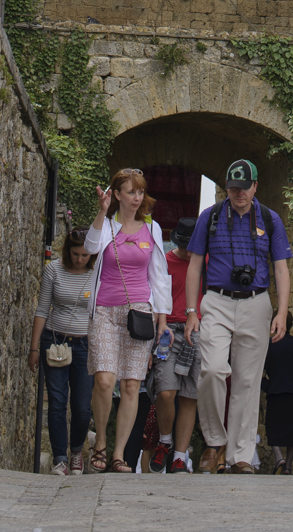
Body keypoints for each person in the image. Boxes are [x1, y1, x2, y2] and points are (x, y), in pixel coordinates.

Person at [183, 159, 292, 474]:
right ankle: (215, 440)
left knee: (248, 381)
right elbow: (194, 265)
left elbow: (281, 268)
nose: (238, 194)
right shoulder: (212, 216)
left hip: (256, 303)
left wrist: (282, 312)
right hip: (216, 300)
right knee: (213, 370)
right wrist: (192, 311)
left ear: (255, 186)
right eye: (232, 188)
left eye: (243, 188)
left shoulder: (270, 220)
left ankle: (241, 455)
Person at [84, 167, 172, 474]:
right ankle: (100, 445)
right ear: (117, 194)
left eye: (140, 192)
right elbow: (90, 248)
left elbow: (160, 278)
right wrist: (101, 212)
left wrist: (162, 320)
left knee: (133, 385)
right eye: (131, 192)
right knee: (105, 380)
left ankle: (119, 454)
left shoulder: (153, 228)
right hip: (105, 312)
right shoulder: (107, 226)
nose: (137, 198)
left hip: (140, 314)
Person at [28, 227, 95, 476]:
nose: (80, 259)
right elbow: (42, 309)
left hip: (85, 345)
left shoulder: (96, 273)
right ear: (68, 251)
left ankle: (77, 450)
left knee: (82, 406)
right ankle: (60, 459)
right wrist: (34, 348)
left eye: (85, 255)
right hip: (55, 341)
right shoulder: (53, 270)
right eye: (76, 254)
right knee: (57, 402)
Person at [146, 216, 203, 473]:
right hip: (167, 330)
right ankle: (165, 441)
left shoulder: (206, 264)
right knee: (166, 391)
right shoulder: (164, 262)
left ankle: (180, 455)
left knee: (190, 395)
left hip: (197, 331)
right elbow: (154, 299)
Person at [263, 311, 293, 473]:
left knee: (272, 426)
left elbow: (261, 370)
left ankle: (279, 458)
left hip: (276, 390)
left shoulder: (268, 345)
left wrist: (266, 386)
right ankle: (288, 465)